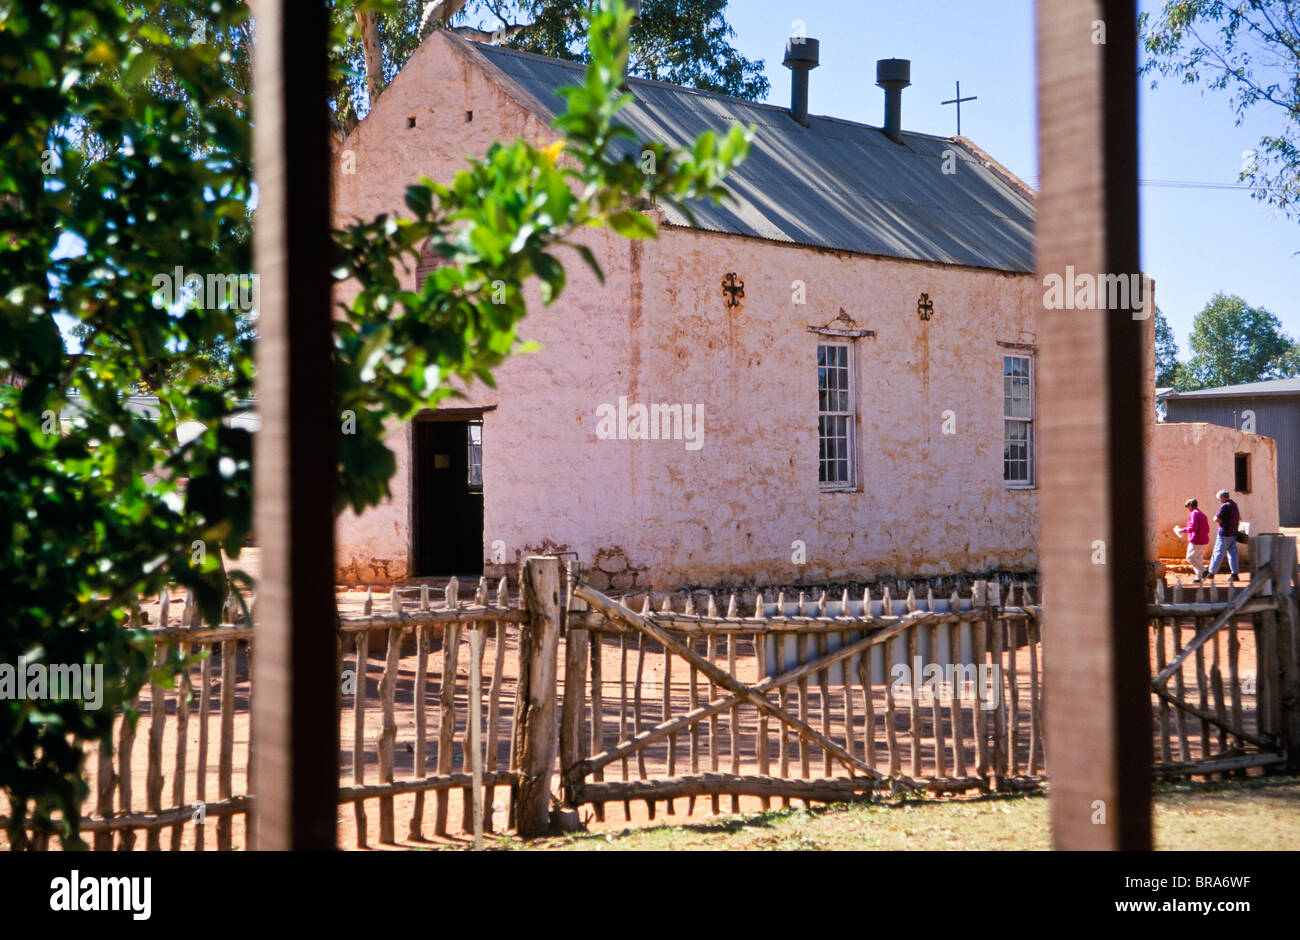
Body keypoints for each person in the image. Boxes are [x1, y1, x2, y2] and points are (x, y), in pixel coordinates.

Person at [1206, 489, 1241, 581]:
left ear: (1222, 497)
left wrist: (1215, 518)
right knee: (1233, 554)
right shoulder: (1234, 505)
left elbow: (1216, 518)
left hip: (1224, 533)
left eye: (1219, 498)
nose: (1219, 500)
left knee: (1218, 552)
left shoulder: (1224, 506)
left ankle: (1211, 572)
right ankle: (1235, 574)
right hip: (1234, 532)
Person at [1174, 497, 1209, 582]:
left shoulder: (1194, 513)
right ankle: (1199, 577)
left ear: (1190, 505)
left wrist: (1181, 530)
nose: (1187, 508)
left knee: (1190, 558)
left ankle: (1205, 571)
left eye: (1188, 506)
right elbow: (1207, 528)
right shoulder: (1202, 514)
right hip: (1205, 539)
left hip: (1196, 539)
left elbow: (1193, 527)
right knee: (1198, 559)